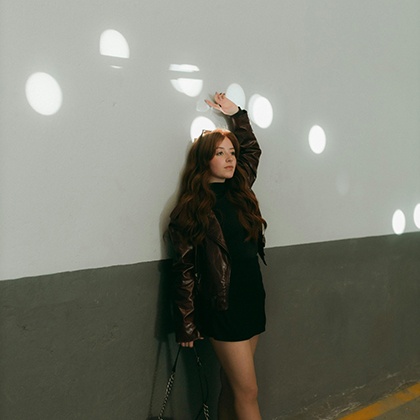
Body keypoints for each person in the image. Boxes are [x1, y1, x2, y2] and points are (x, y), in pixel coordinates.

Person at [168, 92, 267, 419]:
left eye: (232, 153)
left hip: (251, 296)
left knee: (232, 385)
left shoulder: (241, 188)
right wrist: (186, 322)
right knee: (248, 391)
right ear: (204, 160)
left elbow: (252, 150)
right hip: (223, 306)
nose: (230, 159)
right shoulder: (191, 209)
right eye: (220, 153)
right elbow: (183, 269)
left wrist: (237, 114)